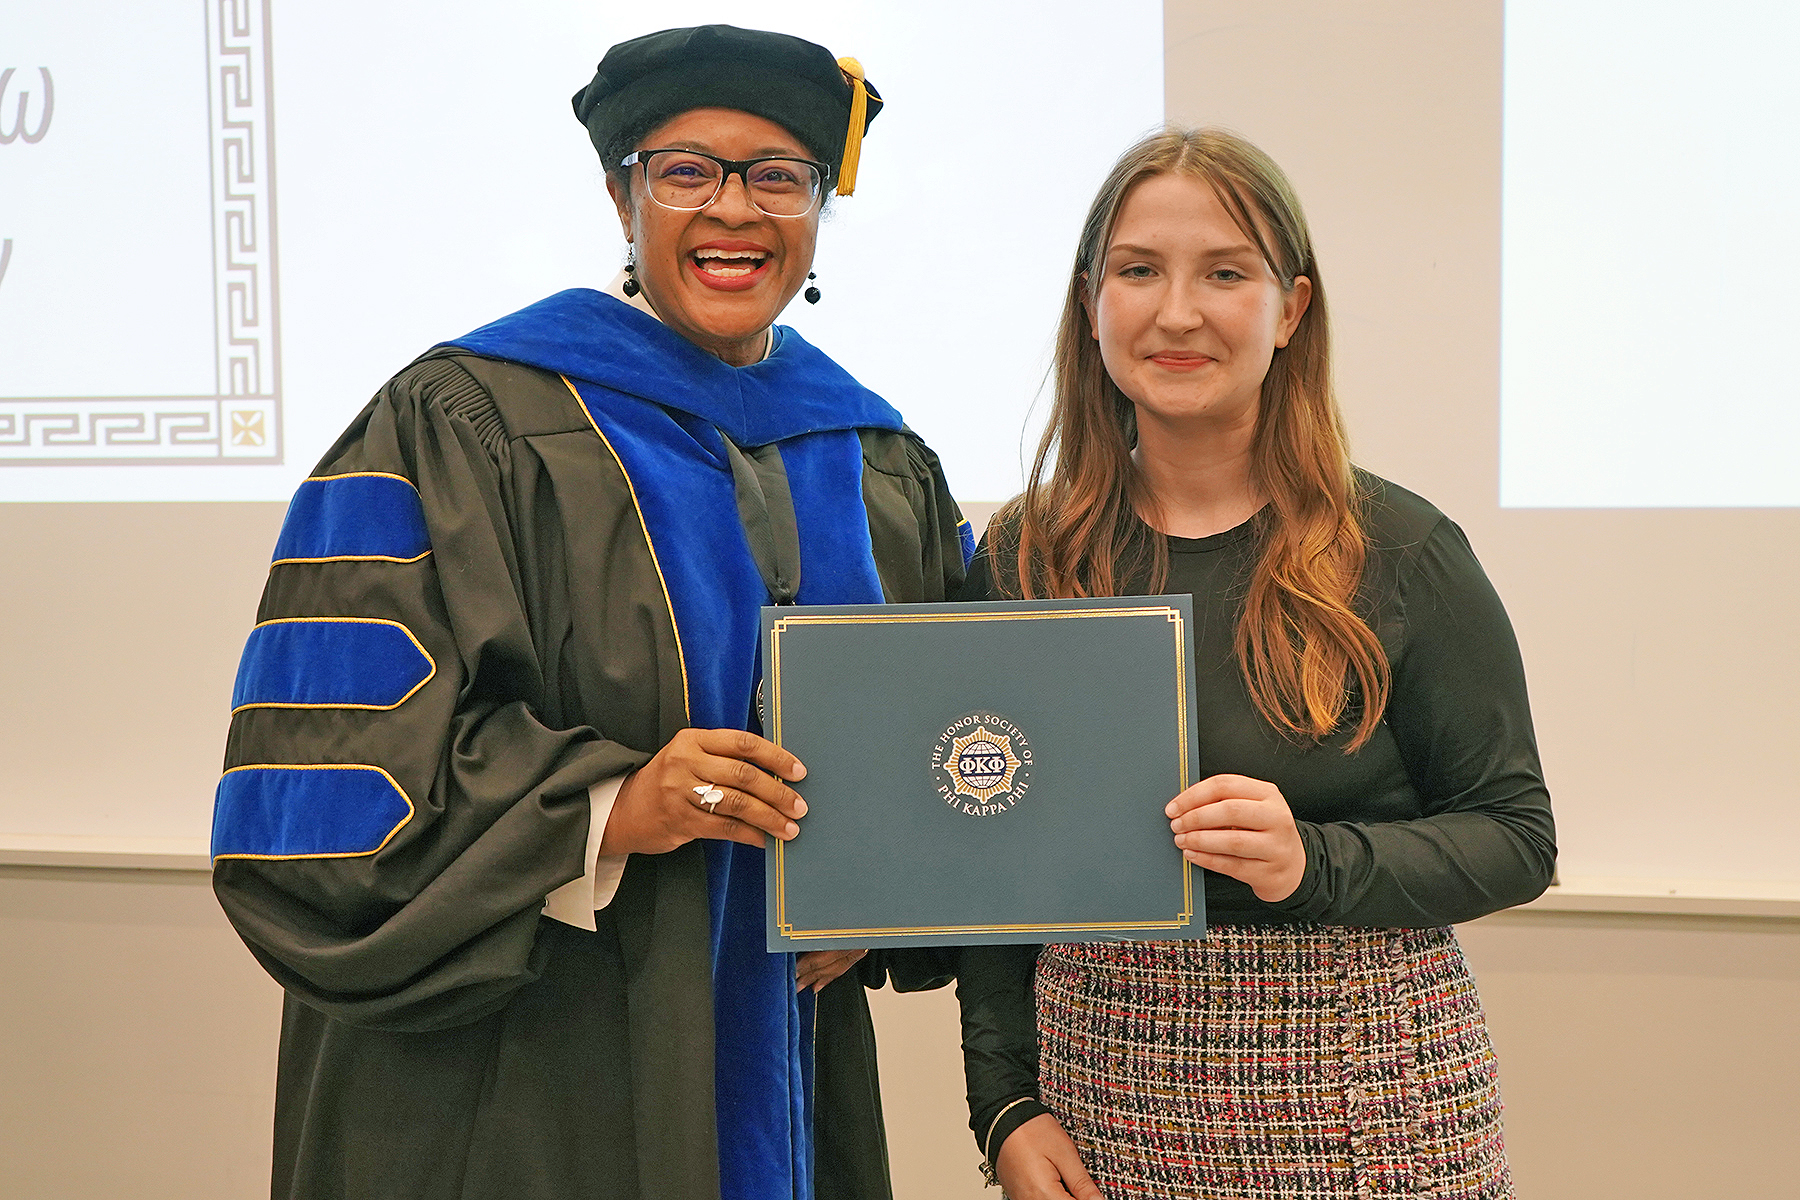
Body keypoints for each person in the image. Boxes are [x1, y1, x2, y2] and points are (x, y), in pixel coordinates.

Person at [211, 25, 970, 1200]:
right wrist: (614, 806)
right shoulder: (461, 420)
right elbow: (326, 779)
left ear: (820, 209)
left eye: (779, 176)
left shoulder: (871, 454)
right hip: (518, 1074)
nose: (735, 211)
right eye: (686, 171)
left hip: (783, 1061)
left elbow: (946, 736)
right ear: (622, 196)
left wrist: (880, 894)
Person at [953, 128, 1556, 1199]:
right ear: (1092, 303)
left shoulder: (1404, 553)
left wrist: (1309, 863)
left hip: (1367, 1097)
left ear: (1291, 311)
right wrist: (1002, 1100)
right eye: (1139, 271)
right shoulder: (1024, 557)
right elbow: (985, 870)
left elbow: (1516, 839)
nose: (1176, 311)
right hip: (1100, 1096)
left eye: (1225, 273)